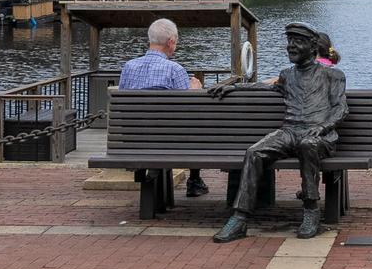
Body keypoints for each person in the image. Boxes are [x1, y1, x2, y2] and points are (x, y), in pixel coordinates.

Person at [213, 22, 348, 243]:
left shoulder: (332, 75)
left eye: (298, 41)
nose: (291, 46)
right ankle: (239, 218)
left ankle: (311, 211)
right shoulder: (287, 75)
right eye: (289, 41)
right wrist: (235, 87)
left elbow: (341, 108)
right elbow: (266, 87)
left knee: (308, 144)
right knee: (255, 152)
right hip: (290, 131)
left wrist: (323, 127)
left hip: (320, 136)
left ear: (313, 47)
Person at [120, 17, 209, 197]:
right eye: (175, 42)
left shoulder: (129, 67)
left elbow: (123, 106)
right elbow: (189, 111)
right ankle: (194, 181)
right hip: (171, 141)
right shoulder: (174, 70)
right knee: (196, 127)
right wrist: (195, 90)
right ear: (170, 42)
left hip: (133, 140)